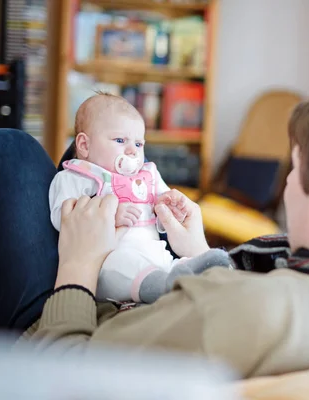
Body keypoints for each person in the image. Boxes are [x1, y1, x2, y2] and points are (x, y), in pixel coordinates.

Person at [0, 87, 309, 378]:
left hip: (65, 333)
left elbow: (65, 375)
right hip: (166, 291)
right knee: (86, 158)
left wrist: (79, 267)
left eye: (294, 172)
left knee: (4, 150)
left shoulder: (237, 312)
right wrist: (200, 252)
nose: (285, 187)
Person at [49, 93, 230, 304]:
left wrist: (170, 208)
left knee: (174, 264)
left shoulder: (148, 175)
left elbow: (162, 203)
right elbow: (60, 218)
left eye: (139, 144)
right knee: (125, 264)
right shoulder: (76, 176)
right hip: (105, 263)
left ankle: (197, 272)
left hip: (155, 253)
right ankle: (165, 286)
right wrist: (108, 217)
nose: (132, 151)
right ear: (84, 146)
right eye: (120, 140)